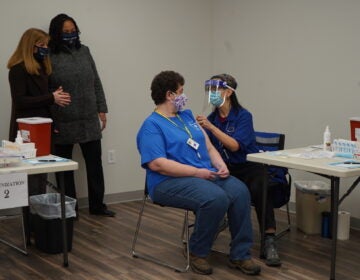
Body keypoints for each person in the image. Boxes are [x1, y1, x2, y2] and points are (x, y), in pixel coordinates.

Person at [136, 70, 261, 276]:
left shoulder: (187, 116)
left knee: (240, 192)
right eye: (181, 91)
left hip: (204, 173)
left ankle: (240, 254)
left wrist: (221, 165)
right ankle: (198, 252)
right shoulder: (152, 125)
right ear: (170, 95)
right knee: (215, 198)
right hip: (168, 182)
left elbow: (208, 145)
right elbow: (158, 164)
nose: (184, 96)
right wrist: (196, 172)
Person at [196, 73, 282, 267]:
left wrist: (210, 127)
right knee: (206, 185)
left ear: (228, 92)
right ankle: (208, 232)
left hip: (248, 166)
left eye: (215, 90)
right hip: (225, 168)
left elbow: (235, 146)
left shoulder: (243, 116)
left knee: (262, 186)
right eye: (209, 91)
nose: (212, 94)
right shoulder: (211, 118)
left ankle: (269, 239)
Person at [48, 14, 115, 217]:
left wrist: (101, 108)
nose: (70, 35)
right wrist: (50, 117)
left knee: (95, 164)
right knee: (64, 168)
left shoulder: (85, 51)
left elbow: (96, 81)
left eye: (73, 31)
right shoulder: (49, 55)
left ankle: (97, 205)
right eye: (66, 32)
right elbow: (46, 88)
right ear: (57, 34)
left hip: (88, 118)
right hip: (62, 119)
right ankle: (70, 209)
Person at [7, 28, 71, 240]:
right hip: (25, 133)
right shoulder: (17, 70)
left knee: (41, 181)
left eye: (46, 46)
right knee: (28, 183)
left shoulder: (43, 68)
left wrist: (55, 102)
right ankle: (29, 228)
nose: (45, 49)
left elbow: (47, 99)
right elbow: (21, 101)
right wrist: (51, 98)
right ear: (30, 46)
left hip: (44, 130)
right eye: (41, 46)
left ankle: (40, 224)